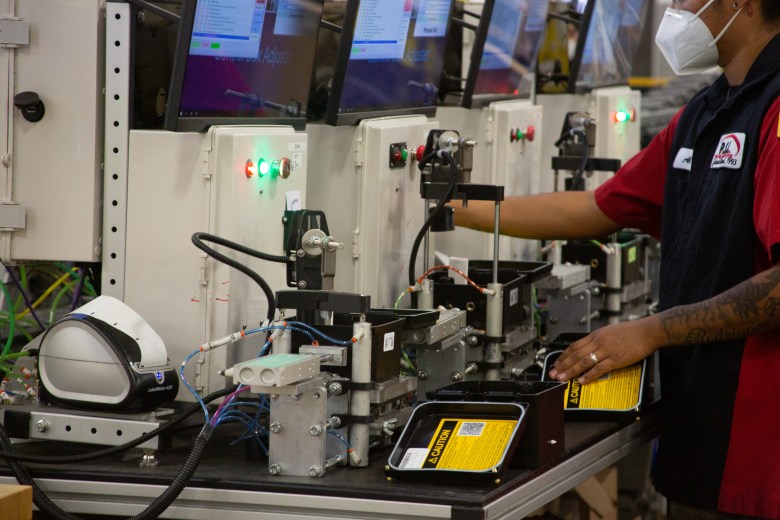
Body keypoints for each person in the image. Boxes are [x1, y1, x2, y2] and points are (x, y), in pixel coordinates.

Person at [453, 0, 780, 517]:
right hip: (701, 439)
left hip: (758, 461)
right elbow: (596, 207)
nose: (674, 10)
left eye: (683, 0)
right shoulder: (707, 112)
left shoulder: (774, 111)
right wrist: (450, 209)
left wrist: (651, 331)